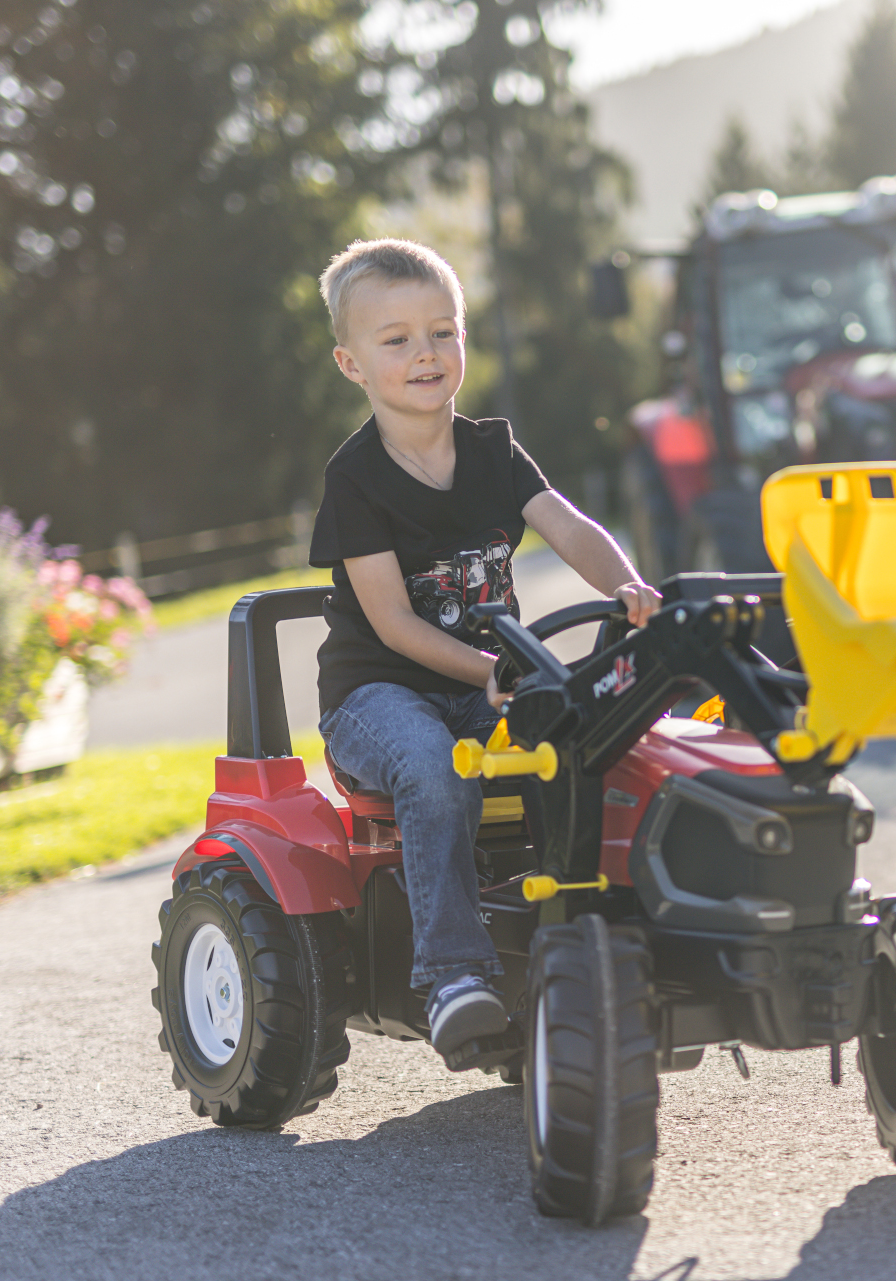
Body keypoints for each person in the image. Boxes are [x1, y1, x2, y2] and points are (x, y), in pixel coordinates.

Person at [307, 238, 660, 1062]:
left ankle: (582, 936)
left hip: (487, 679)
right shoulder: (353, 478)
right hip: (378, 696)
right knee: (438, 764)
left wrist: (630, 589)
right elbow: (392, 624)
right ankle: (453, 975)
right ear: (351, 363)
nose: (425, 353)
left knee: (583, 742)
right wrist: (495, 673)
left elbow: (571, 527)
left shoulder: (495, 451)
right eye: (395, 340)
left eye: (443, 330)